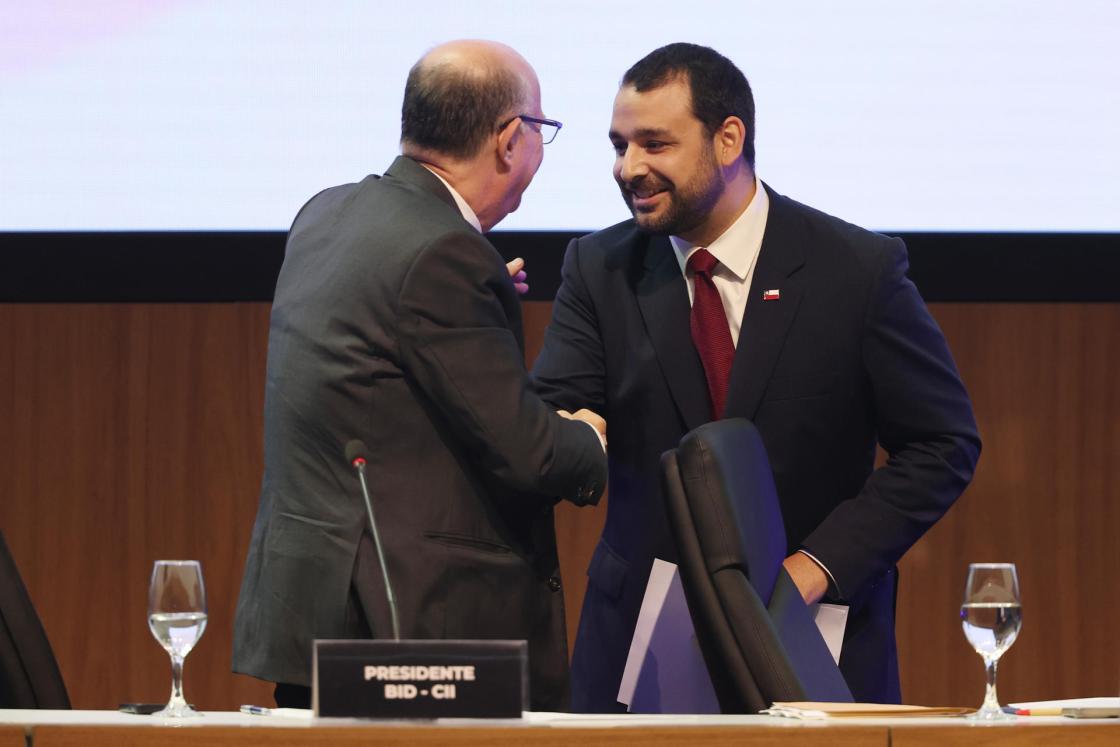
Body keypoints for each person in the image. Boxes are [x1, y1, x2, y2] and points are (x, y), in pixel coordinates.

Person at [531, 42, 981, 710]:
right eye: (620, 146)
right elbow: (557, 416)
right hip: (640, 645)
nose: (629, 168)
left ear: (729, 139)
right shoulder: (598, 268)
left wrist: (818, 566)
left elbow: (943, 443)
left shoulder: (855, 270)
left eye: (656, 144)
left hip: (813, 625)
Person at [233, 40, 607, 712]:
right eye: (541, 129)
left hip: (317, 612)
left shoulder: (328, 213)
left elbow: (383, 355)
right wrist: (588, 438)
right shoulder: (444, 253)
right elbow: (528, 452)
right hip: (409, 631)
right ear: (508, 140)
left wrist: (474, 292)